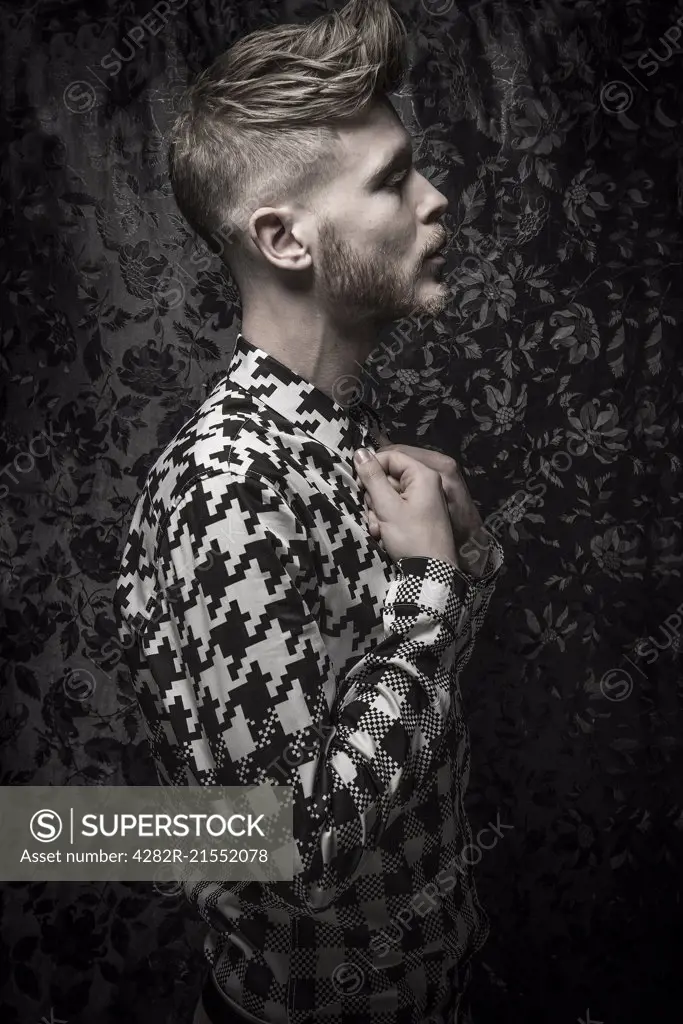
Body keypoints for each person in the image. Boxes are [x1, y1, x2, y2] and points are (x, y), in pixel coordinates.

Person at [113, 1, 505, 1022]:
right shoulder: (227, 489)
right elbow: (280, 853)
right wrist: (428, 591)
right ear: (285, 238)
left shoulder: (344, 430)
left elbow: (391, 736)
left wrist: (456, 558)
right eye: (390, 180)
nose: (436, 197)